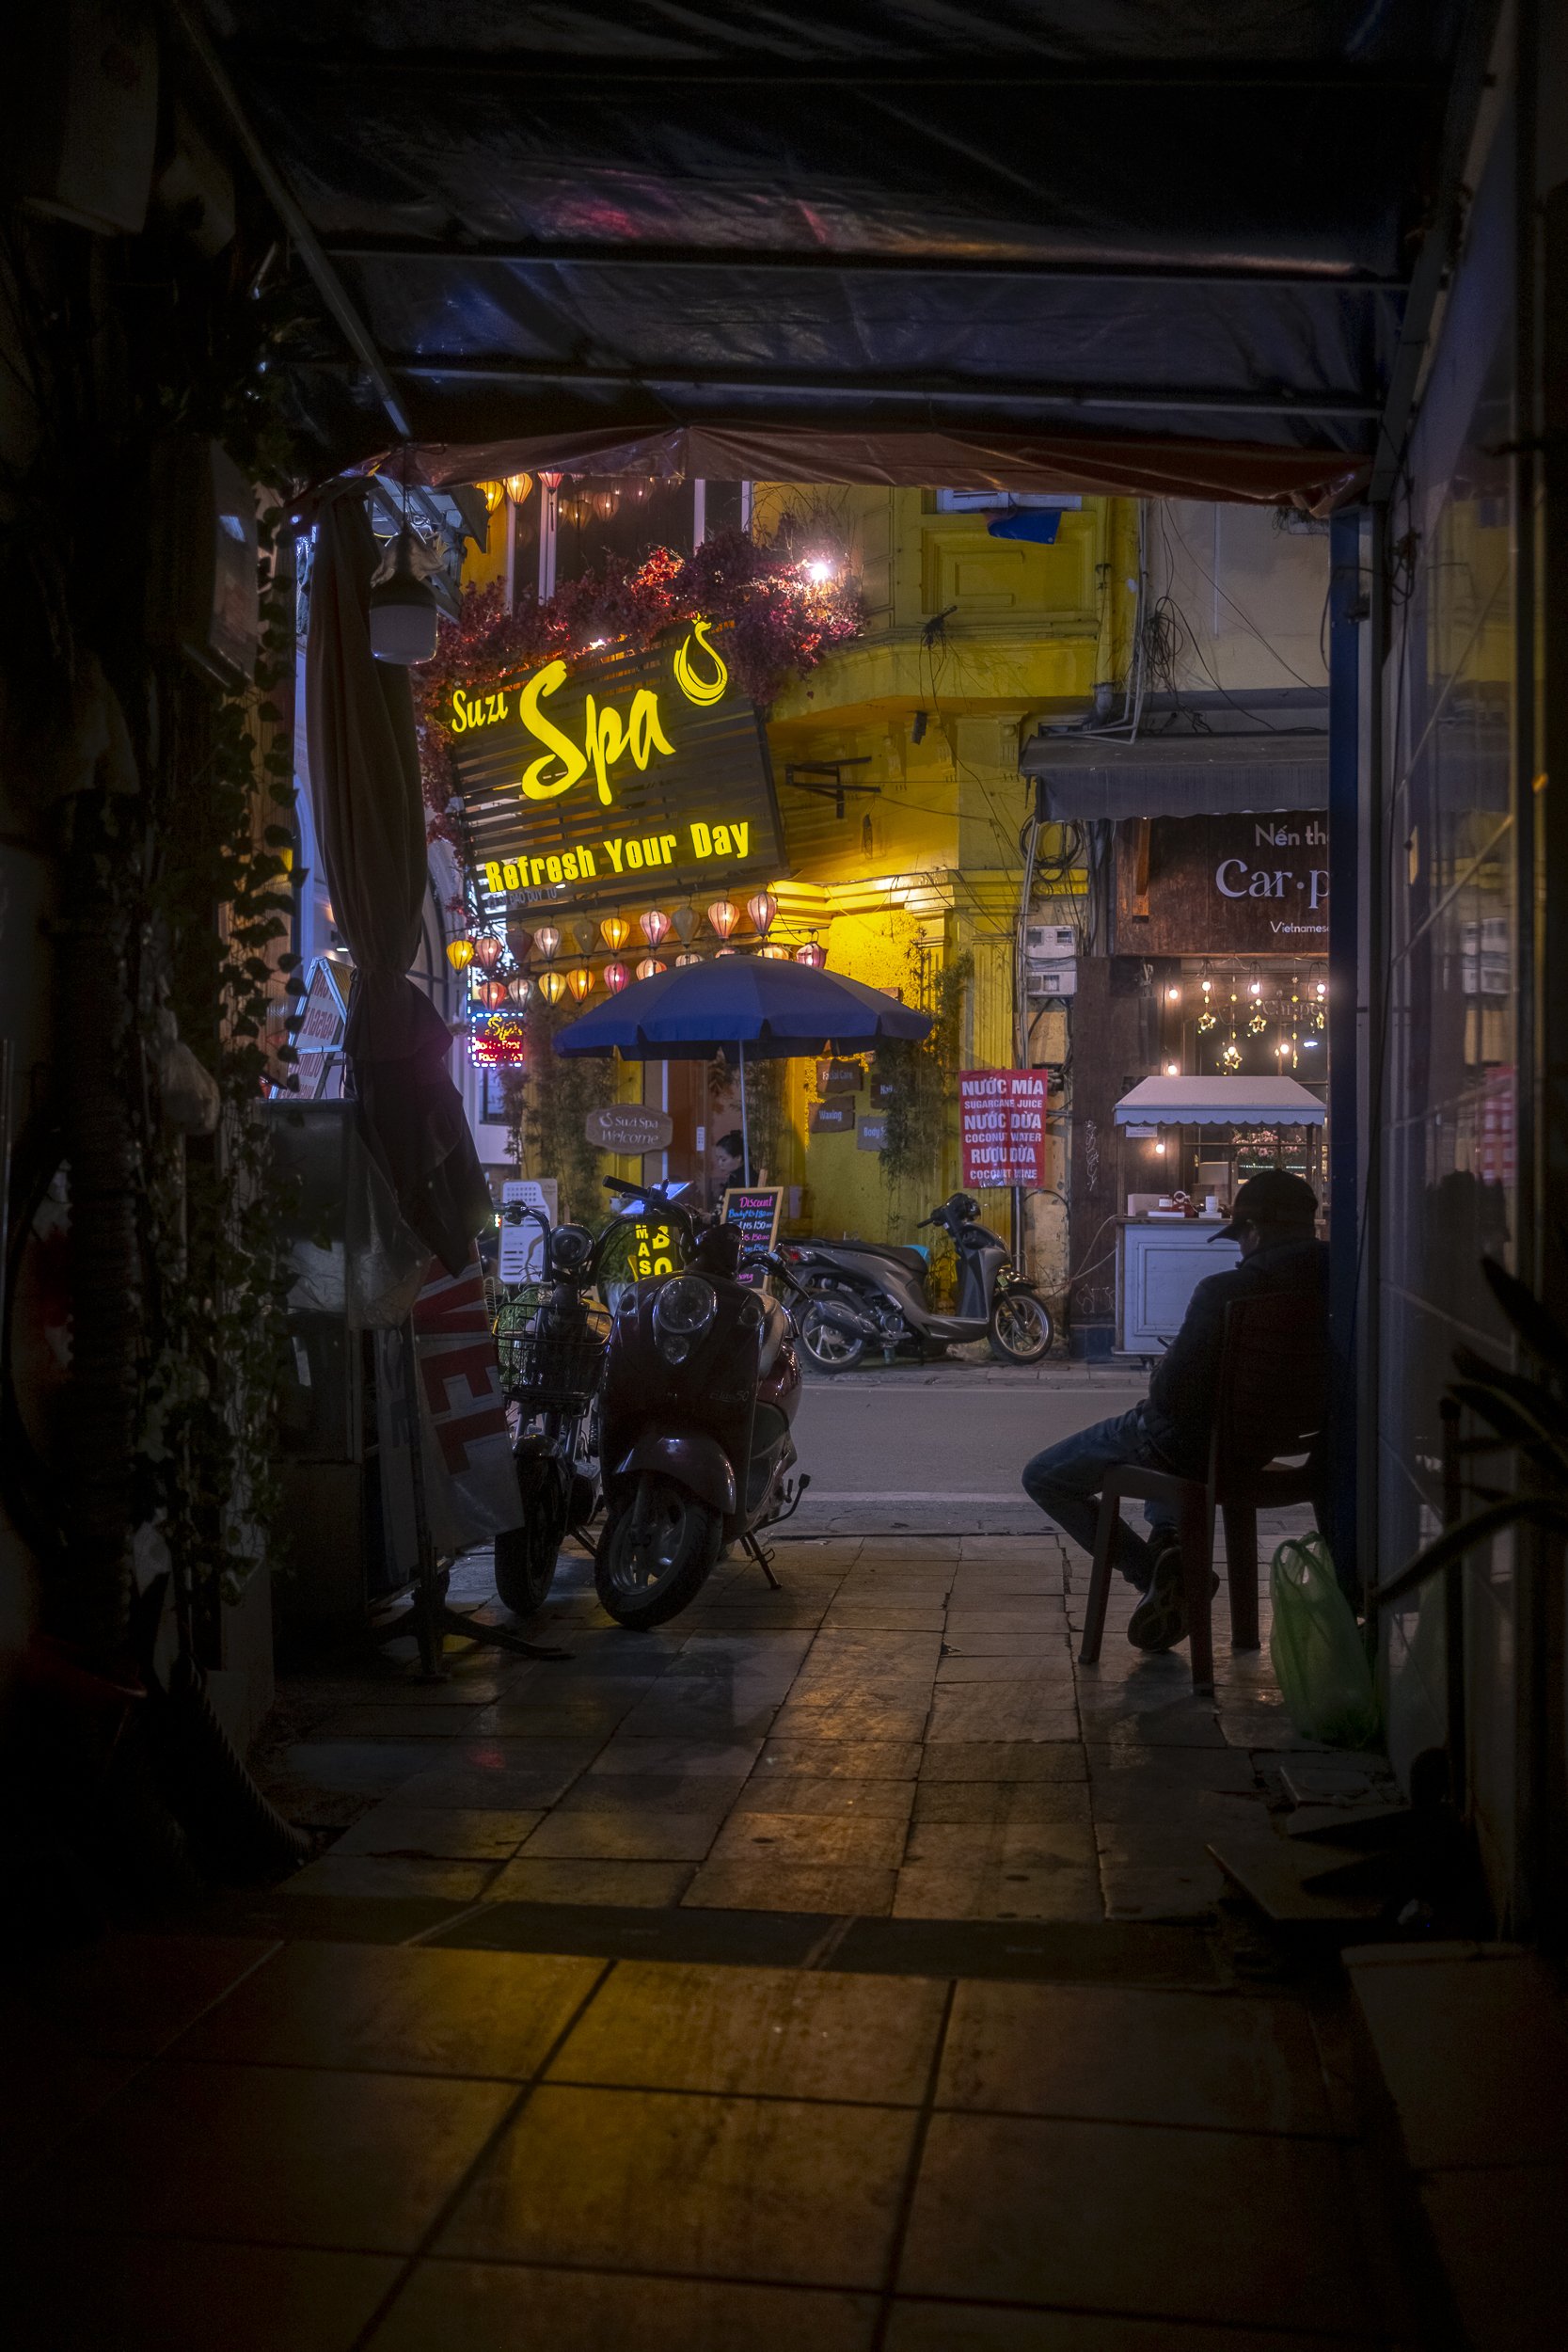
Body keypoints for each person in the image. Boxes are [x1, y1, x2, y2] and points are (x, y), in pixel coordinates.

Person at [1022, 1168, 1329, 1652]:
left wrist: (1164, 1366)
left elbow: (1171, 1398)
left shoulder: (1223, 1292)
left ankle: (1152, 1573)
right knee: (1184, 1443)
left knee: (1045, 1476)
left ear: (1252, 1232)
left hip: (1186, 1444)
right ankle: (1171, 1552)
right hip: (1269, 1446)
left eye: (1241, 1239)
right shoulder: (1341, 1287)